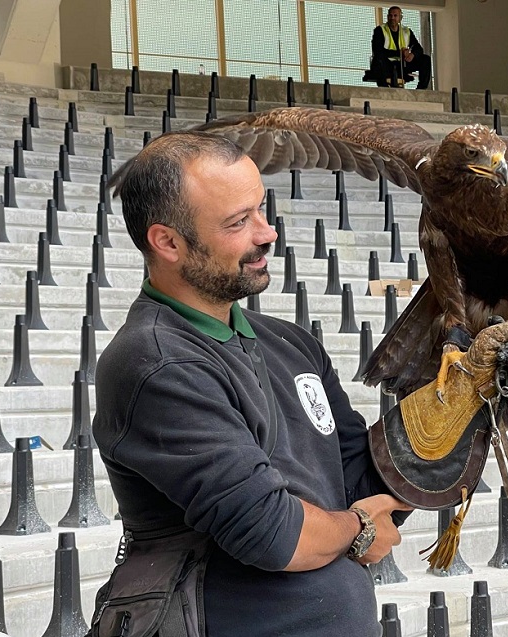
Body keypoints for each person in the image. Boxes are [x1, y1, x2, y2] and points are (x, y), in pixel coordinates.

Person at [89, 130, 412, 637]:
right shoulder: (155, 364)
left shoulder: (293, 345)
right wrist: (357, 527)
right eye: (239, 222)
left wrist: (455, 411)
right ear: (167, 242)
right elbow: (271, 532)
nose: (267, 233)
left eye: (261, 210)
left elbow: (361, 484)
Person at [369, 6, 431, 89]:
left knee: (425, 59)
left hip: (403, 65)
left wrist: (412, 55)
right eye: (390, 16)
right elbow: (377, 50)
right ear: (387, 17)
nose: (392, 18)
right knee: (379, 59)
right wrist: (400, 53)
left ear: (400, 18)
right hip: (387, 64)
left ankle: (421, 90)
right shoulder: (380, 30)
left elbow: (418, 48)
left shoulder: (406, 31)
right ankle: (384, 89)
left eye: (395, 16)